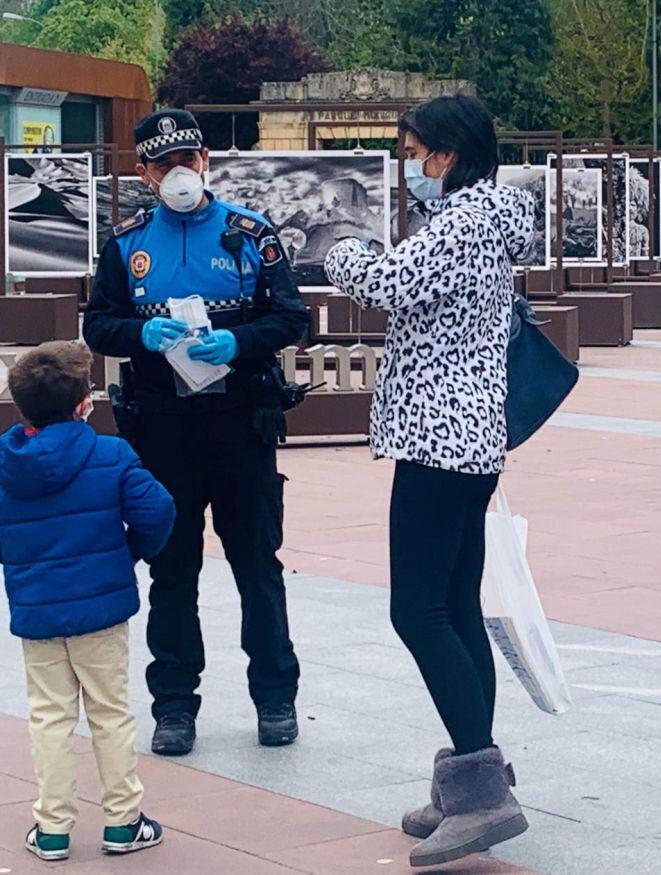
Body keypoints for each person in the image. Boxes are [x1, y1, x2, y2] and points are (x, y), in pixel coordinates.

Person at [324, 94, 532, 868]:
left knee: (416, 608)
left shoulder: (463, 220)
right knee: (451, 604)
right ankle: (470, 775)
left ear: (445, 154)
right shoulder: (490, 216)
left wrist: (340, 248)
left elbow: (384, 284)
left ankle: (481, 792)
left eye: (414, 152)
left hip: (439, 433)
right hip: (467, 432)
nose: (410, 166)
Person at [83, 109, 309, 756]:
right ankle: (174, 705)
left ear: (205, 159)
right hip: (162, 432)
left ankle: (275, 697)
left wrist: (237, 340)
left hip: (240, 422)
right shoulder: (126, 243)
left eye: (187, 159)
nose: (177, 172)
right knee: (172, 570)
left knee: (256, 565)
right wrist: (138, 334)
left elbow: (290, 317)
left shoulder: (251, 232)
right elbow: (97, 325)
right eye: (162, 164)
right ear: (143, 171)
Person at [0, 342, 175, 861]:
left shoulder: (6, 465)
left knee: (50, 718)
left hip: (37, 610)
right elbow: (158, 510)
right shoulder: (111, 453)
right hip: (101, 611)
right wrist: (127, 555)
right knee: (110, 713)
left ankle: (52, 828)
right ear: (84, 404)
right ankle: (122, 821)